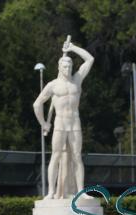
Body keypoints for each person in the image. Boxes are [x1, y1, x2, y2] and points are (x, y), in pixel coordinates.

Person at [33, 37, 94, 199]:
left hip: (74, 123)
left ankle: (81, 191)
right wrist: (44, 123)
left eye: (70, 66)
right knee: (56, 156)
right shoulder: (52, 85)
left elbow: (90, 59)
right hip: (60, 124)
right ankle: (51, 192)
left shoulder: (77, 80)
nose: (67, 69)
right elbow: (37, 104)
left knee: (77, 157)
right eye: (64, 66)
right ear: (59, 67)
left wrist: (73, 47)